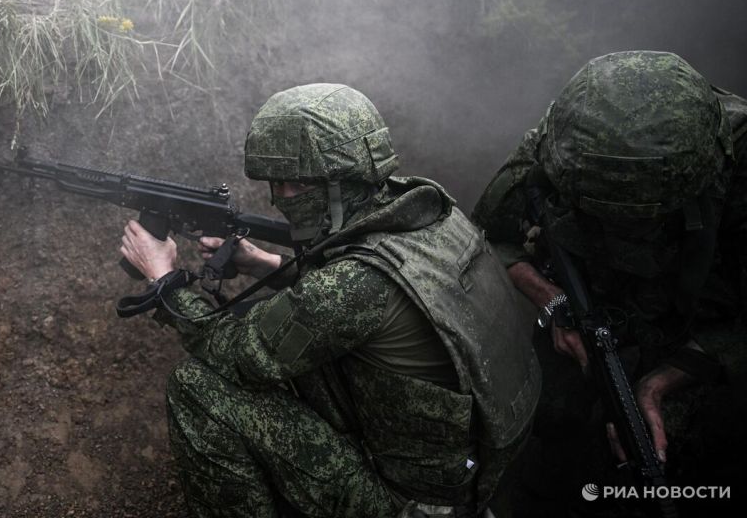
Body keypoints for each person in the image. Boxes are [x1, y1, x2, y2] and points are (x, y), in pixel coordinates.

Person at [120, 83, 540, 518]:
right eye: (275, 183)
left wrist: (164, 280)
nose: (278, 197)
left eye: (293, 184)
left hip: (411, 505)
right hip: (467, 469)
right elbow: (362, 297)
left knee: (197, 387)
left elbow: (231, 352)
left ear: (339, 181)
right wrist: (266, 264)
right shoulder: (431, 215)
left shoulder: (357, 283)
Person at [472, 51, 747, 514]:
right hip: (581, 314)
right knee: (552, 439)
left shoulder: (735, 165)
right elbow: (492, 239)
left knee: (688, 457)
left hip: (701, 330)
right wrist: (554, 304)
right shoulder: (561, 146)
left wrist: (658, 384)